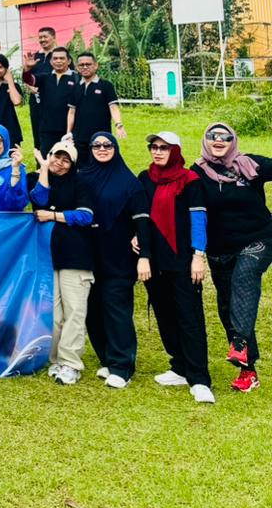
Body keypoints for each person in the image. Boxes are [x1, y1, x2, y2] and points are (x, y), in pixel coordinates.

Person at [193, 122, 272, 392]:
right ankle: (248, 371)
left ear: (233, 141)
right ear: (205, 140)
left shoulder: (250, 165)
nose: (218, 140)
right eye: (212, 136)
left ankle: (239, 342)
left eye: (225, 137)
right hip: (220, 249)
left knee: (244, 277)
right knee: (228, 307)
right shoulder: (197, 173)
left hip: (258, 239)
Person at [138, 132, 212, 403]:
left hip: (183, 261)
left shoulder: (190, 180)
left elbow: (199, 219)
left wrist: (198, 256)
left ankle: (199, 379)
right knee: (165, 315)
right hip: (155, 261)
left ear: (176, 151)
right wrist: (137, 239)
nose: (157, 152)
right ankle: (179, 366)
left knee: (189, 319)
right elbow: (140, 216)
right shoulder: (145, 178)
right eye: (154, 147)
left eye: (164, 148)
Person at [80, 133, 150, 390]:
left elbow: (142, 220)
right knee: (92, 310)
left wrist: (144, 255)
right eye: (96, 145)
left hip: (119, 258)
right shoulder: (82, 176)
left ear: (116, 148)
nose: (102, 148)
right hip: (88, 256)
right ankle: (108, 359)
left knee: (116, 310)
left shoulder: (129, 183)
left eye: (107, 145)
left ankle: (123, 366)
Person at [29, 142, 96, 385]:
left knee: (74, 311)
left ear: (73, 164)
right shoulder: (37, 178)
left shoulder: (81, 182)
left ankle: (71, 363)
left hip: (76, 256)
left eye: (66, 160)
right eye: (56, 156)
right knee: (54, 314)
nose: (60, 162)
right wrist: (44, 169)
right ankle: (56, 359)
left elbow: (86, 216)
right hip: (48, 257)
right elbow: (39, 199)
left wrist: (55, 216)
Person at [27, 46, 78, 156]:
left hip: (70, 130)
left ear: (69, 61)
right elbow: (28, 80)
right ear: (51, 62)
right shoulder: (45, 78)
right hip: (47, 129)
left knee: (68, 159)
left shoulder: (77, 78)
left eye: (62, 58)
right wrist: (27, 69)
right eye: (55, 58)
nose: (58, 61)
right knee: (46, 159)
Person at [71, 53, 125, 154]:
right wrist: (68, 133)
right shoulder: (75, 87)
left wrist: (118, 124)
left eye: (88, 64)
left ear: (96, 65)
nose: (85, 67)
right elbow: (71, 112)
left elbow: (113, 107)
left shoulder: (106, 85)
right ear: (77, 68)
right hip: (79, 137)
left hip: (101, 137)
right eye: (81, 65)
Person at [23, 26, 58, 152]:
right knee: (37, 132)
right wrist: (29, 87)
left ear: (53, 37)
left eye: (45, 37)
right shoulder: (35, 57)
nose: (42, 40)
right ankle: (40, 160)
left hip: (55, 101)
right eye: (40, 37)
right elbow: (26, 77)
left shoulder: (60, 56)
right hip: (37, 101)